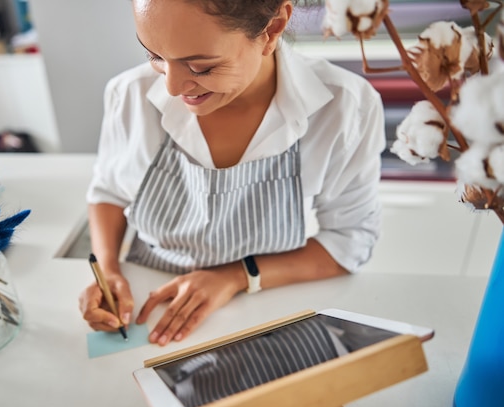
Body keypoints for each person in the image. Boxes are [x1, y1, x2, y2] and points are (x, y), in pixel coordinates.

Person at [79, 0, 386, 347]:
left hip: (264, 312)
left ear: (272, 29)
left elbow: (350, 241)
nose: (173, 88)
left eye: (200, 67)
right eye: (155, 56)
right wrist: (108, 270)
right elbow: (109, 192)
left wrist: (236, 276)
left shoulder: (345, 107)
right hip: (149, 305)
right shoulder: (128, 94)